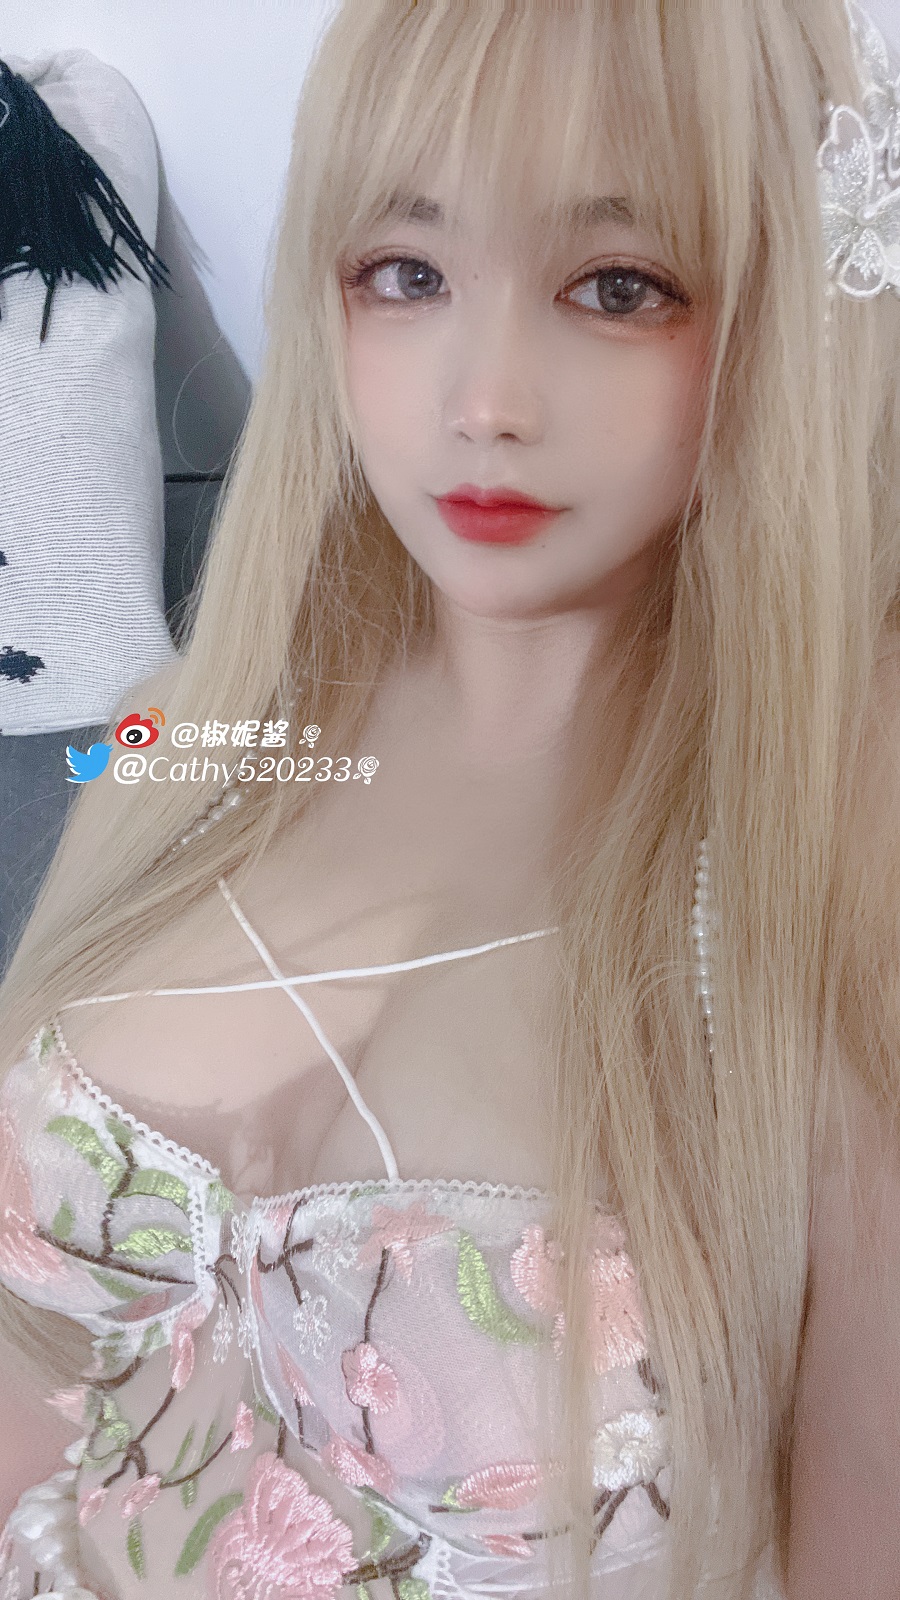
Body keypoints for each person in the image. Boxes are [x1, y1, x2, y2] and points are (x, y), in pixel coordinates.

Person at [1, 1, 900, 1595]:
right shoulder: (202, 729)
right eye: (405, 274)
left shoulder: (836, 830)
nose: (484, 399)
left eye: (617, 287)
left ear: (788, 301)